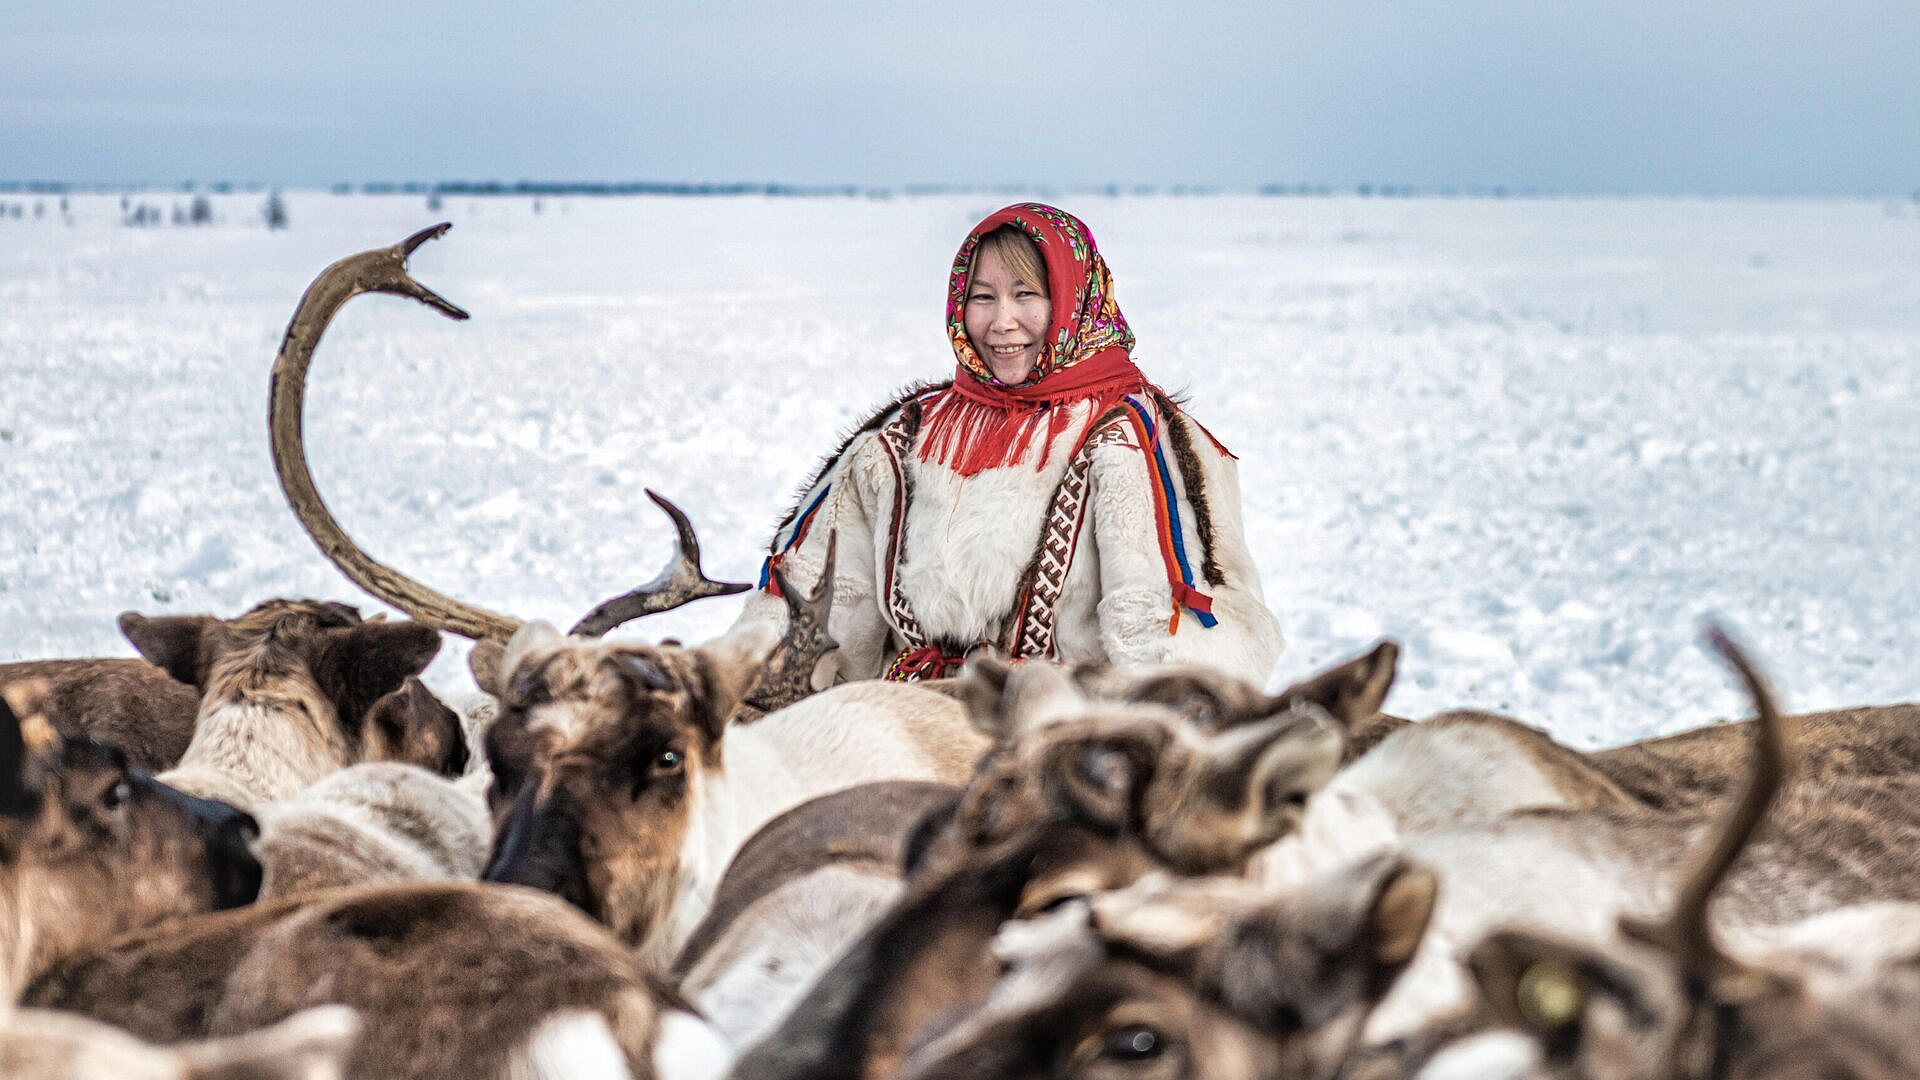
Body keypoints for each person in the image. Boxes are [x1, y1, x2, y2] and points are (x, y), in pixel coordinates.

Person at [733, 203, 1282, 685]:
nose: (1002, 322)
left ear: (1072, 298)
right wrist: (743, 685)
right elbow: (816, 595)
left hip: (1058, 747)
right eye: (982, 298)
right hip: (905, 728)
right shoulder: (904, 437)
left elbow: (1171, 636)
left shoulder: (1135, 438)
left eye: (1026, 295)